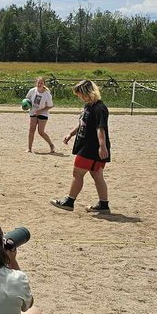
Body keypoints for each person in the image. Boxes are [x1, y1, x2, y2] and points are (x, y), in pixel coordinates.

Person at [51, 79, 111, 213]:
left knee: (77, 173)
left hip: (90, 148)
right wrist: (71, 134)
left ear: (87, 93)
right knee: (97, 175)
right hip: (90, 147)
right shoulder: (88, 106)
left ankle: (69, 201)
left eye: (79, 95)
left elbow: (100, 129)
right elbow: (83, 123)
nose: (79, 97)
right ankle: (104, 204)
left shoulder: (99, 108)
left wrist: (102, 146)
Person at [25, 75, 56, 154]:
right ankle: (29, 148)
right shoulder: (32, 91)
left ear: (44, 84)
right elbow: (26, 100)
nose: (39, 84)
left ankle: (51, 145)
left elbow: (51, 105)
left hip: (43, 113)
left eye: (41, 83)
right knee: (31, 130)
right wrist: (24, 106)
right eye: (38, 83)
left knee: (41, 132)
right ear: (36, 83)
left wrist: (41, 111)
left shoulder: (47, 94)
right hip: (33, 112)